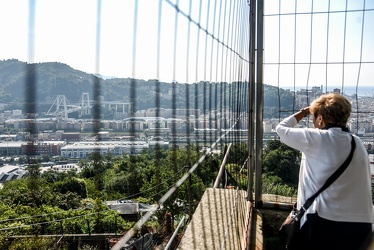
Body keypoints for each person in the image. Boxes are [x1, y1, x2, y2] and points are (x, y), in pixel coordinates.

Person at [276, 93, 373, 249]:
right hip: (362, 225)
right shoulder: (358, 143)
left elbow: (281, 129)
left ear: (320, 118)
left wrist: (306, 111)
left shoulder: (316, 138)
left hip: (324, 221)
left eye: (314, 117)